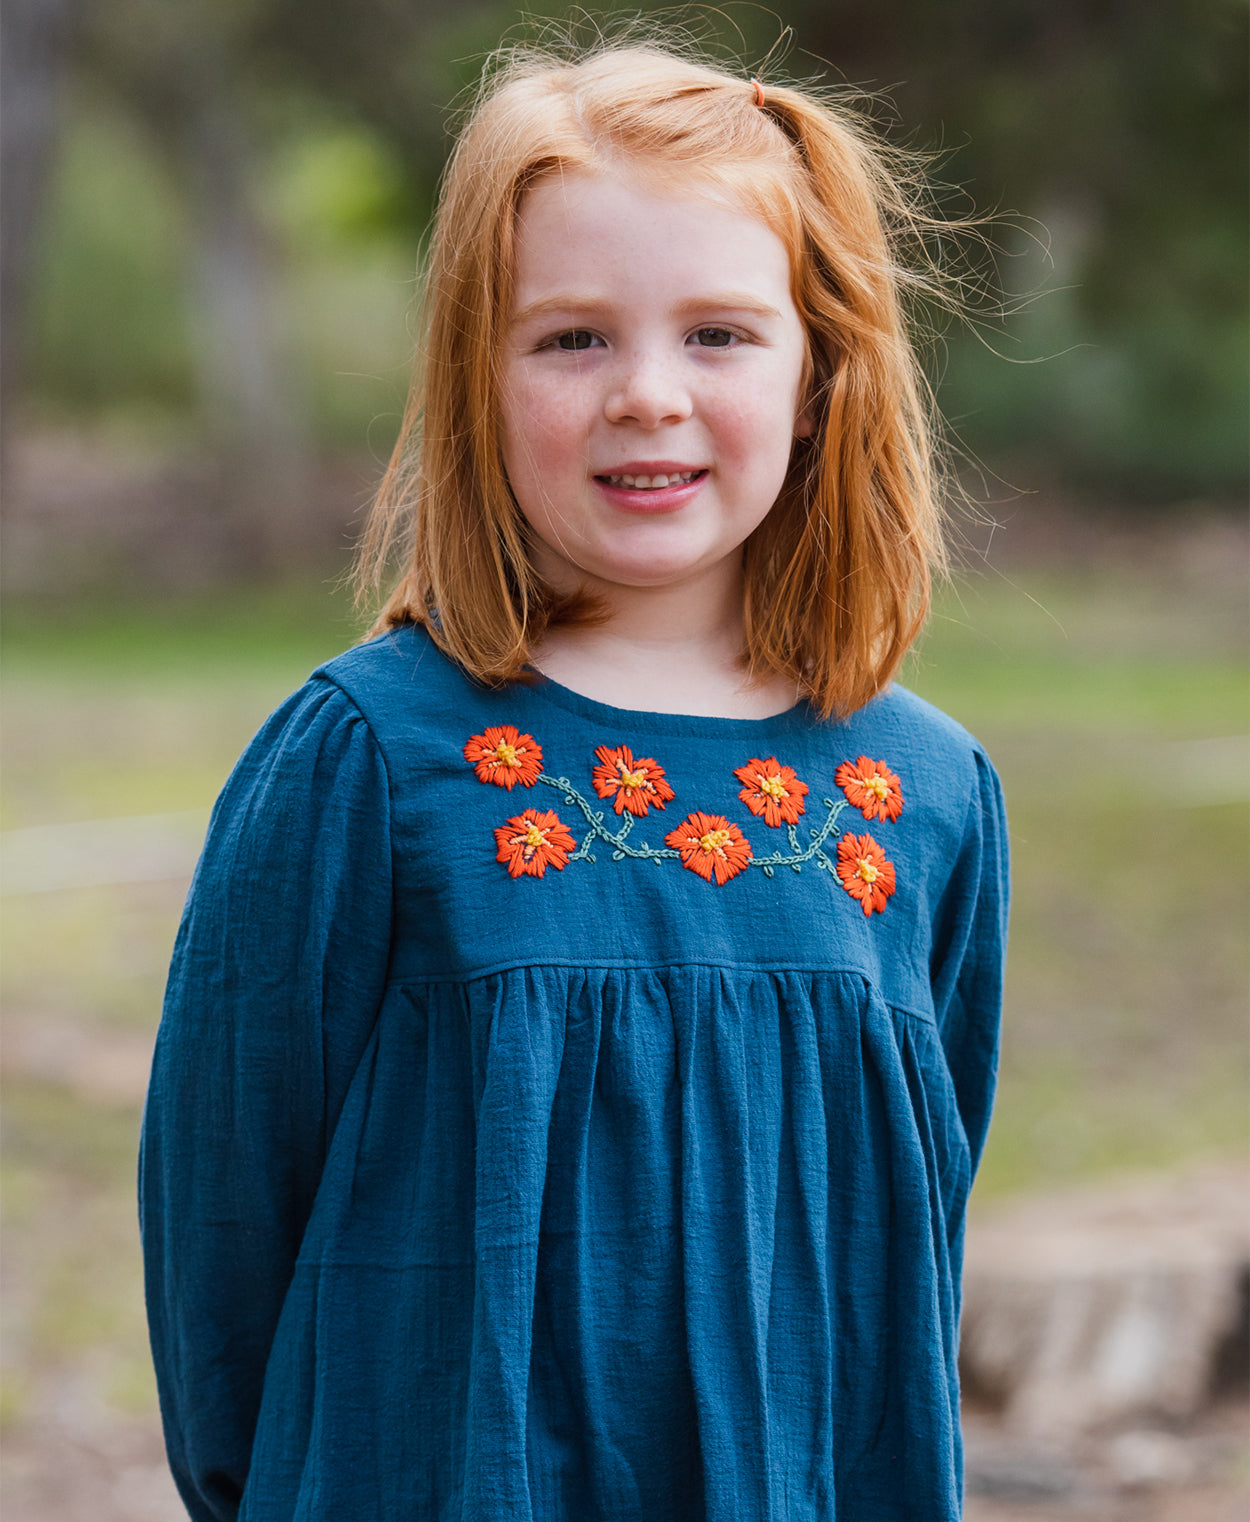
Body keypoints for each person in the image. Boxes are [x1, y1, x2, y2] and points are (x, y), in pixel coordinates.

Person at [141, 36, 1009, 1522]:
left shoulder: (922, 791)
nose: (647, 395)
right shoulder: (365, 759)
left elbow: (911, 1224)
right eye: (571, 338)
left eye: (722, 335)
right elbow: (222, 1215)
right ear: (477, 379)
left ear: (818, 376)